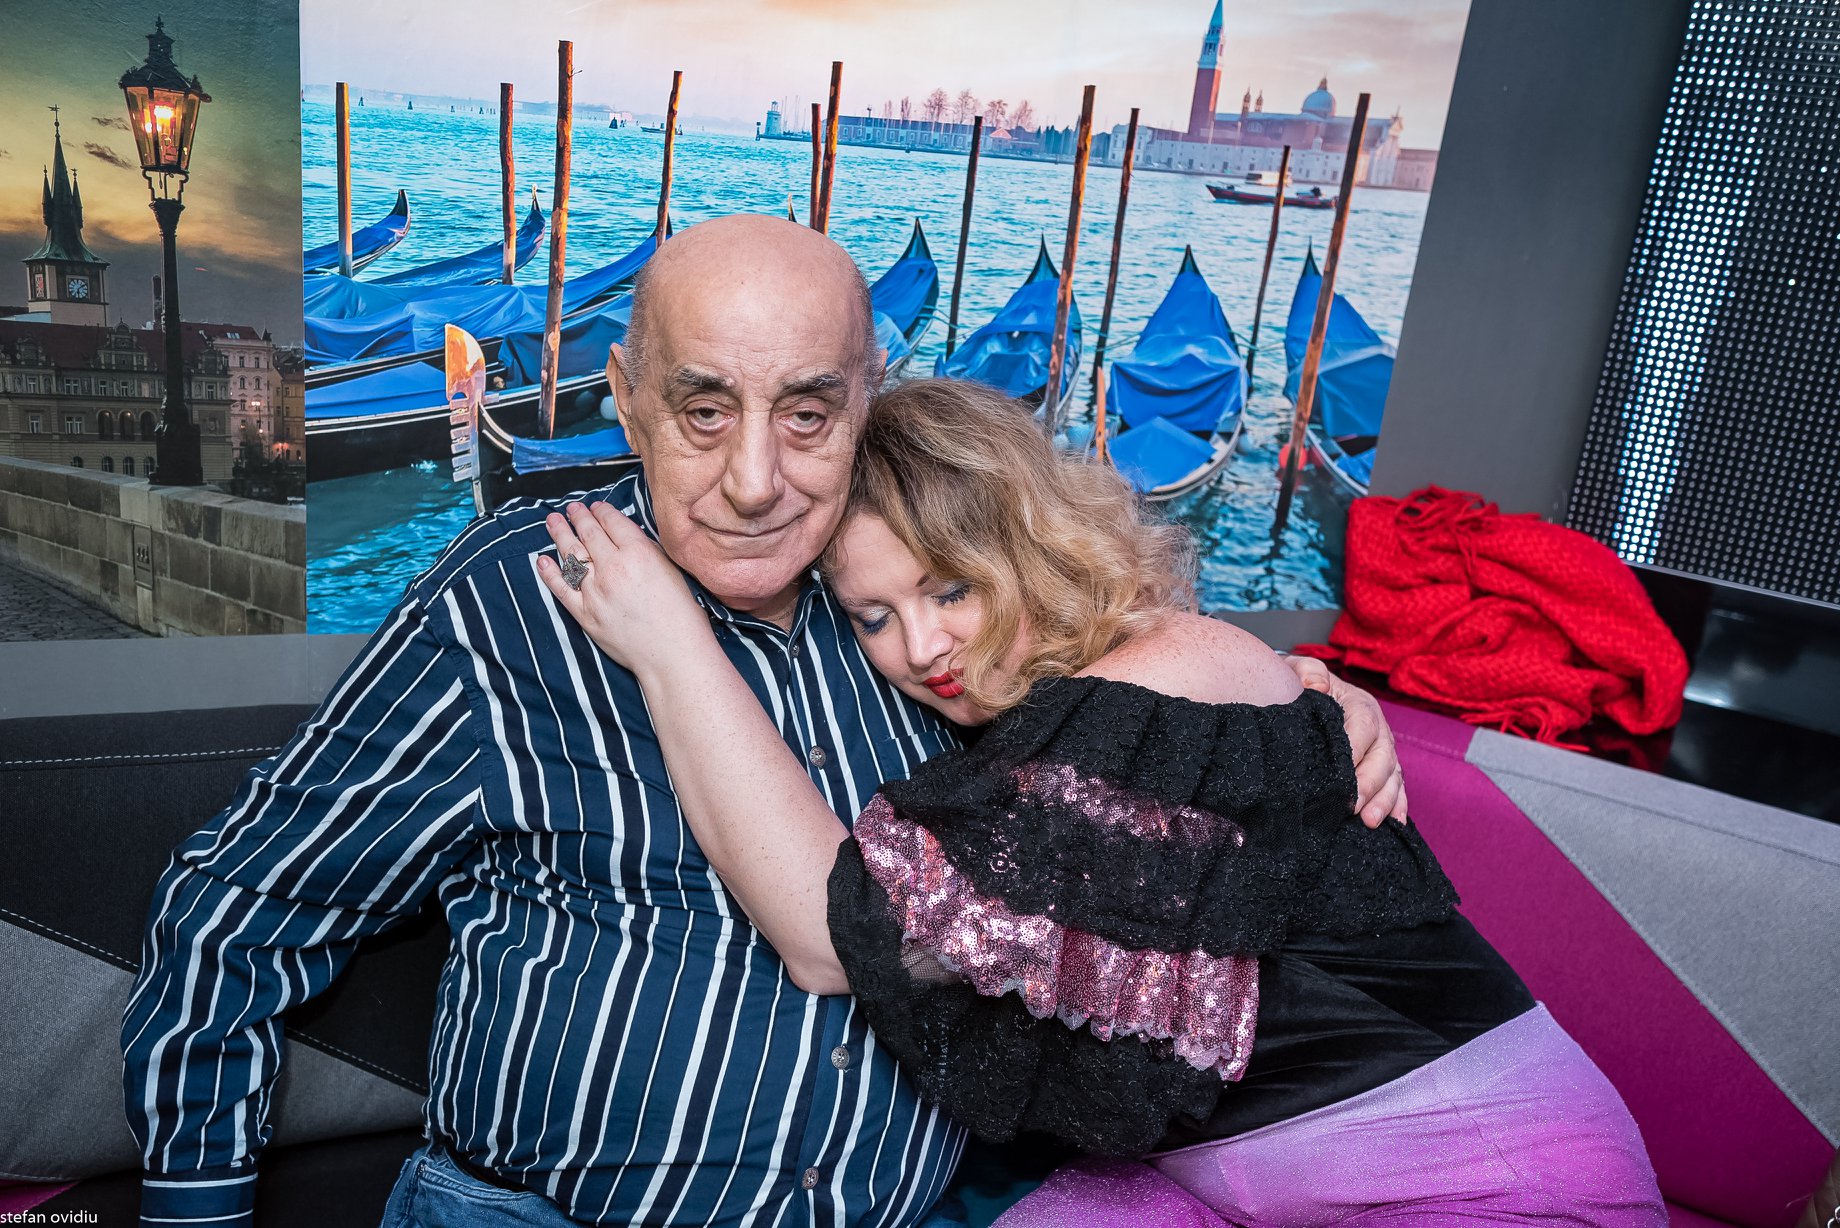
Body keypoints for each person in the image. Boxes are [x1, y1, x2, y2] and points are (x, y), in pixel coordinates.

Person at [120, 216, 1408, 1228]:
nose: (752, 482)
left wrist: (1305, 706)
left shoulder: (929, 617)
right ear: (623, 396)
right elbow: (238, 910)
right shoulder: (518, 596)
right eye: (702, 411)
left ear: (865, 401)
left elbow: (1131, 697)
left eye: (805, 414)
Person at [535, 377, 1668, 1225]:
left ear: (1032, 545)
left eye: (950, 588)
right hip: (1220, 1181)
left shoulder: (1165, 676)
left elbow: (843, 940)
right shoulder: (1041, 714)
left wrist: (671, 647)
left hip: (1489, 1185)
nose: (921, 647)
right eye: (874, 616)